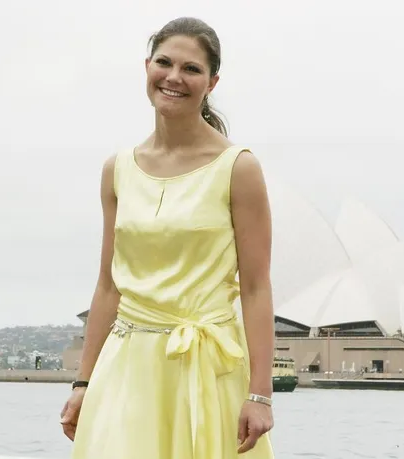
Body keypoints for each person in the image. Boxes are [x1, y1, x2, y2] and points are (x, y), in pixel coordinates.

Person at [60, 16, 275, 459]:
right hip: (126, 370)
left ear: (212, 83)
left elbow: (256, 288)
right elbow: (108, 285)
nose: (174, 77)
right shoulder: (117, 169)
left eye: (191, 69)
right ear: (147, 67)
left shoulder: (239, 168)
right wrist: (83, 383)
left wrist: (260, 394)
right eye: (164, 63)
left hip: (205, 370)